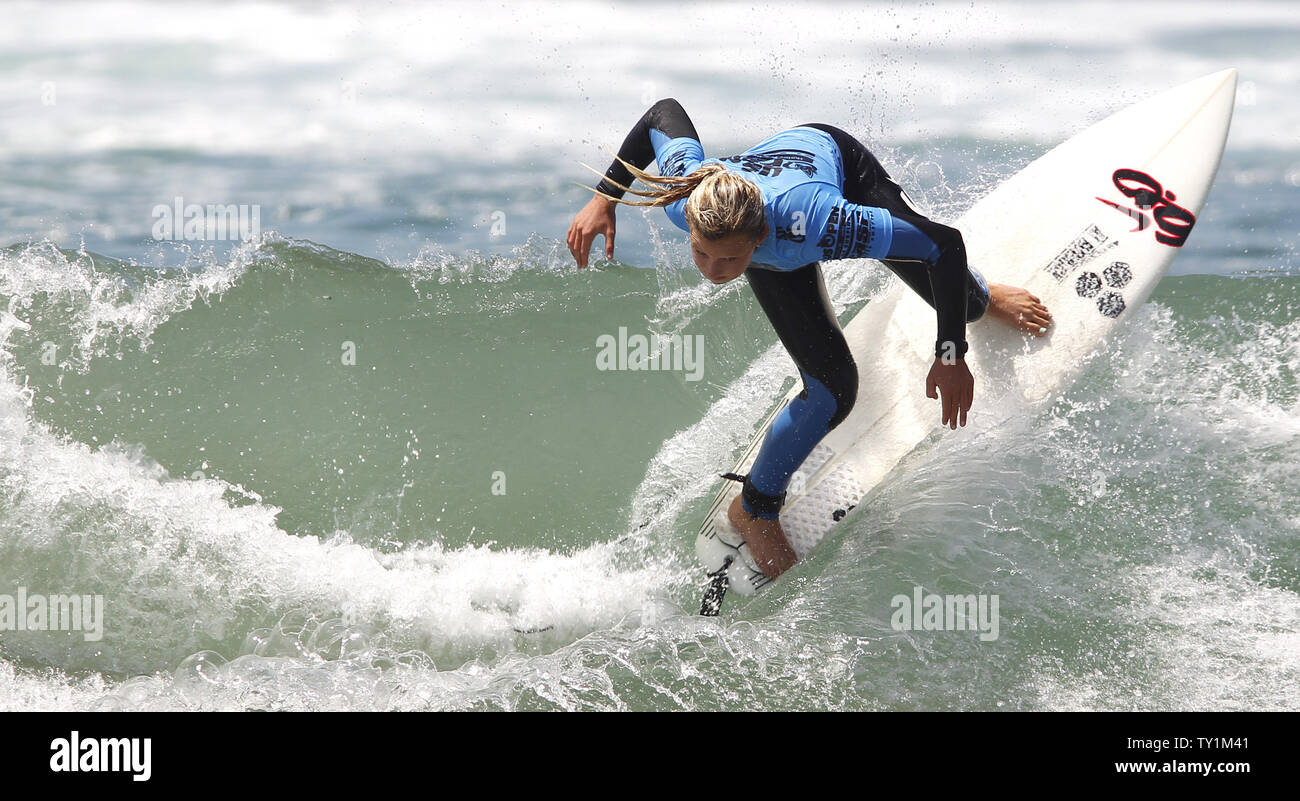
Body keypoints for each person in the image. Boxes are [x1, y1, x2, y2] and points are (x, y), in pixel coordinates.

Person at [566, 99, 1051, 579]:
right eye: (701, 254)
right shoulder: (688, 200)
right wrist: (604, 198)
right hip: (758, 215)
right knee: (833, 390)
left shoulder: (828, 223)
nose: (713, 273)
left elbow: (942, 243)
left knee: (964, 306)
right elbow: (662, 112)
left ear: (756, 240)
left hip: (835, 167)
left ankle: (985, 292)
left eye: (728, 261)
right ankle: (754, 509)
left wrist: (950, 354)